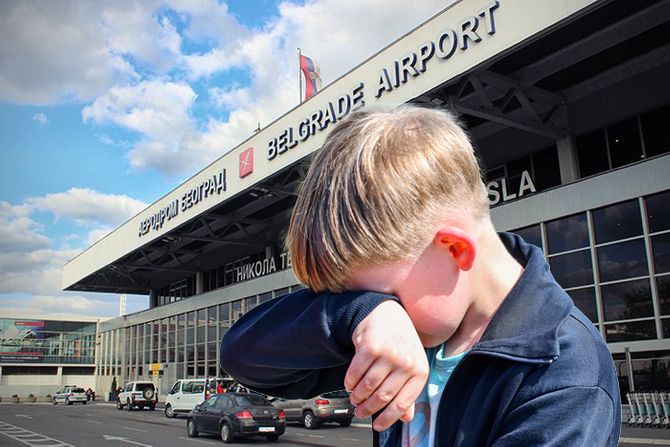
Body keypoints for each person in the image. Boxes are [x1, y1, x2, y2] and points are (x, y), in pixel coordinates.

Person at [220, 105, 621, 446]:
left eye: (382, 293)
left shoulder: (565, 376)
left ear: (454, 250)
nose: (384, 310)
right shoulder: (409, 327)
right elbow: (242, 356)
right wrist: (361, 313)